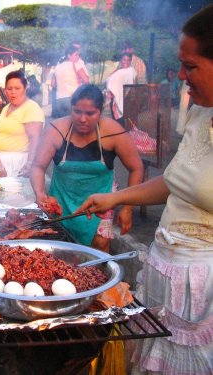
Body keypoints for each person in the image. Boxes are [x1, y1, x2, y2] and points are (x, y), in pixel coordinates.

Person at [76, 6, 213, 373]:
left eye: (191, 66)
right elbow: (175, 181)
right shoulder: (201, 112)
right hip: (166, 271)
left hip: (205, 292)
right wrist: (117, 197)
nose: (181, 75)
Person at [30, 84, 143, 251]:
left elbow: (136, 168)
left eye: (90, 113)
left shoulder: (113, 131)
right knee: (62, 249)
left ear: (101, 110)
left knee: (100, 245)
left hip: (100, 204)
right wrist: (40, 193)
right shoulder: (56, 130)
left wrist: (128, 208)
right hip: (62, 202)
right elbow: (38, 167)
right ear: (70, 109)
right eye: (77, 111)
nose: (83, 119)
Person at [0, 70, 44, 177]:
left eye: (17, 88)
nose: (13, 92)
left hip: (16, 163)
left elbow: (35, 139)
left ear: (25, 89)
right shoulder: (6, 108)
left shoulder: (31, 108)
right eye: (9, 89)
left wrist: (29, 165)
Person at [52, 45, 89, 118]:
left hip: (59, 100)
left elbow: (53, 84)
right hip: (72, 98)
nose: (78, 57)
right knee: (73, 124)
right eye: (76, 55)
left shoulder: (57, 67)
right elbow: (86, 80)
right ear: (69, 56)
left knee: (63, 125)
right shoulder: (76, 64)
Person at [105, 53, 137, 126]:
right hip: (115, 96)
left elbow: (129, 84)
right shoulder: (120, 70)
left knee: (120, 120)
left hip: (121, 98)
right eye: (124, 60)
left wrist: (112, 91)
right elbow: (110, 78)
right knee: (116, 120)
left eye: (128, 60)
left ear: (131, 61)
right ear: (121, 60)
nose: (126, 62)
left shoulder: (130, 71)